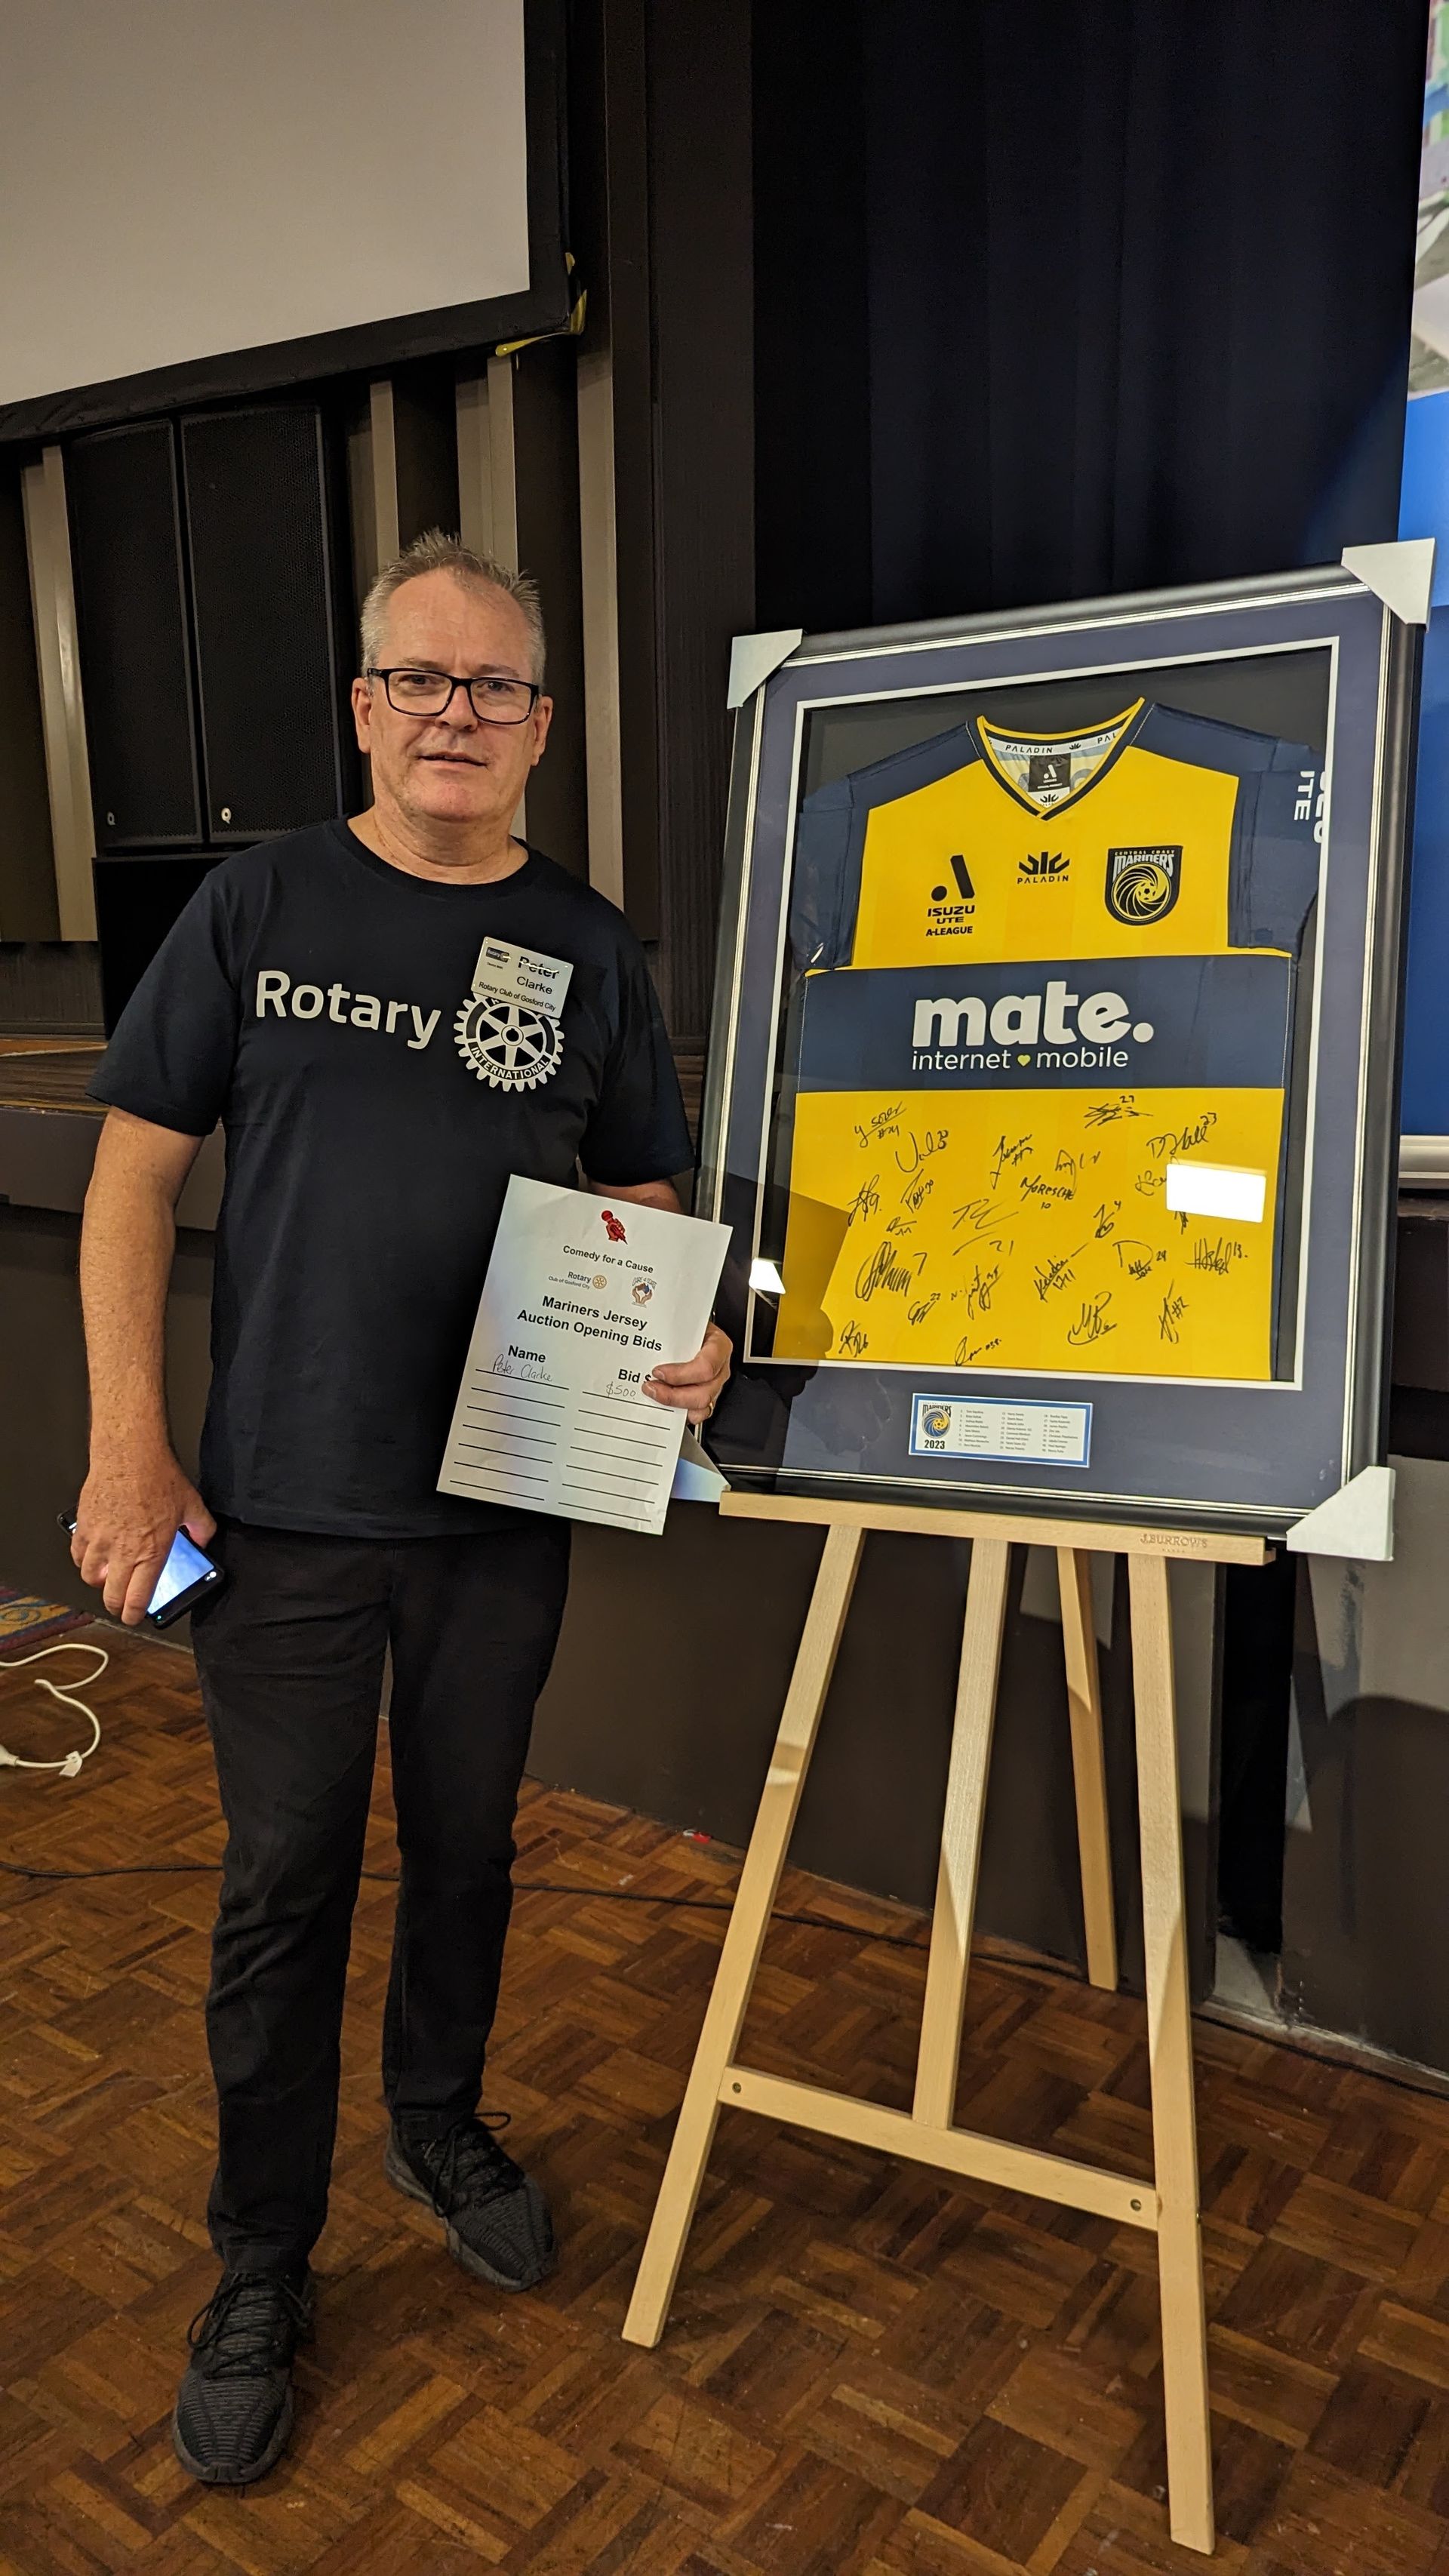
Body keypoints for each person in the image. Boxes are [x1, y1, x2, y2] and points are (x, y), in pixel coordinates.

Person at [72, 530, 731, 2487]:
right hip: (276, 1509)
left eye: (495, 689)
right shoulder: (258, 905)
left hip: (507, 1503)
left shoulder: (593, 946)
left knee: (464, 1854)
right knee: (283, 1889)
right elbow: (129, 1183)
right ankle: (260, 2260)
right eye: (421, 683)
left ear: (540, 725)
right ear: (366, 709)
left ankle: (435, 2117)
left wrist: (682, 1339)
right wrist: (129, 1445)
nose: (458, 716)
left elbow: (654, 1202)